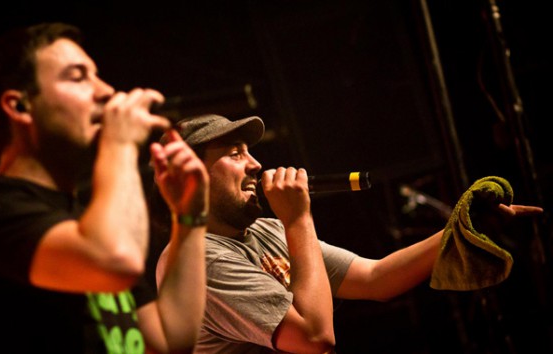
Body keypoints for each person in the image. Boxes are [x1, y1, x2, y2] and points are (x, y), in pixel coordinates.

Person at [153, 114, 544, 354]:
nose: (255, 164)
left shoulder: (267, 231)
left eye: (249, 151)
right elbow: (314, 338)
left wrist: (467, 225)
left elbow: (376, 278)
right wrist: (298, 220)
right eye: (235, 153)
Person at [0, 22, 209, 354]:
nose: (106, 90)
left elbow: (168, 342)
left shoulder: (85, 221)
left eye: (96, 75)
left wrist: (190, 219)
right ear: (19, 106)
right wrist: (120, 144)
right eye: (78, 77)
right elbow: (115, 259)